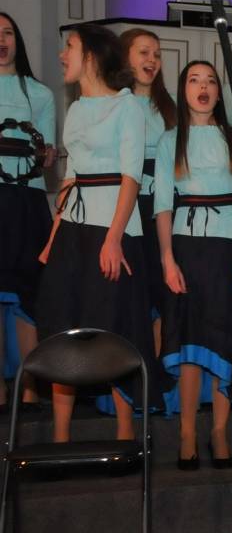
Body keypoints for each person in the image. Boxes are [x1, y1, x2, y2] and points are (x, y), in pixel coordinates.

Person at [35, 23, 155, 442]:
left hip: (113, 232)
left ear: (91, 55)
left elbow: (131, 177)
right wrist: (53, 239)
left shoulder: (127, 106)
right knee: (62, 324)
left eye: (69, 46)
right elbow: (71, 177)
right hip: (73, 232)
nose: (61, 55)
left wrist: (113, 238)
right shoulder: (76, 109)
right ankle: (60, 438)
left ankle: (125, 433)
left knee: (114, 327)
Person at [154, 60, 232, 469]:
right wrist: (167, 258)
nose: (203, 87)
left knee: (223, 338)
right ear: (183, 90)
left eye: (211, 81)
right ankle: (186, 432)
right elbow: (163, 205)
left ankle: (218, 430)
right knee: (188, 340)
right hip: (186, 246)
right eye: (195, 80)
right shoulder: (170, 140)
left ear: (219, 91)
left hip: (230, 246)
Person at [0, 11, 55, 412]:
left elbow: (47, 154)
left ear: (17, 40)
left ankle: (32, 384)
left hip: (29, 200)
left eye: (7, 32)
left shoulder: (41, 94)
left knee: (29, 293)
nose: (1, 40)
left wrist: (47, 154)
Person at [119, 28, 175, 359]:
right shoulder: (115, 104)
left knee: (160, 293)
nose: (152, 60)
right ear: (124, 56)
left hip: (161, 210)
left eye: (156, 54)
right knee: (128, 294)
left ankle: (154, 374)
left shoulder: (170, 108)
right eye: (144, 52)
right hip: (126, 210)